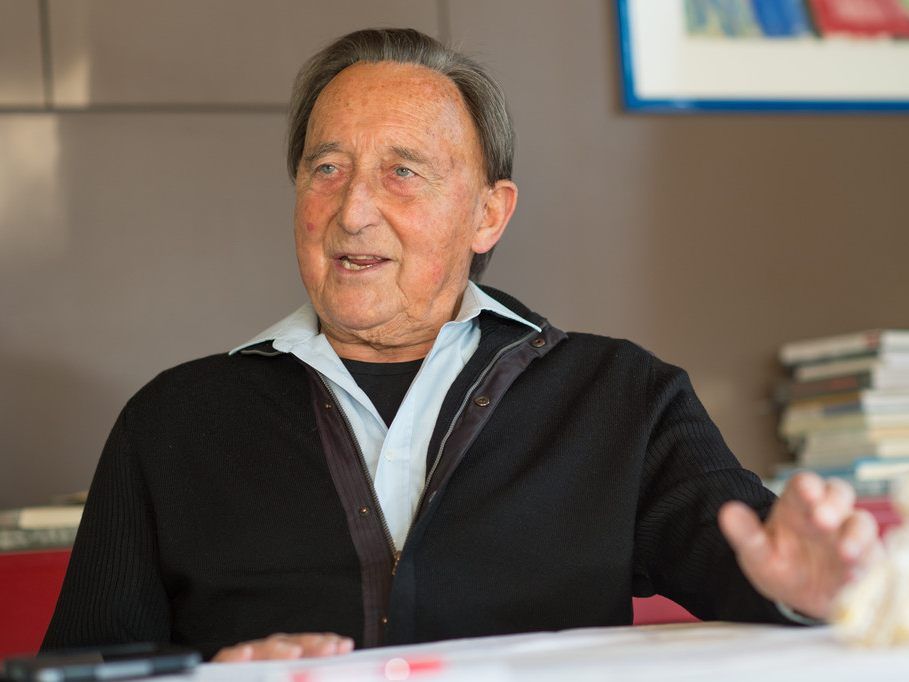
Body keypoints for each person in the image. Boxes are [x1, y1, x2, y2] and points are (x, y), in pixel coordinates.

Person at [43, 28, 882, 663]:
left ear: (488, 213)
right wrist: (210, 681)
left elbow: (761, 575)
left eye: (403, 172)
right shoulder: (173, 422)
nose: (352, 211)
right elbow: (81, 670)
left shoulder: (618, 397)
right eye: (326, 168)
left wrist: (811, 592)